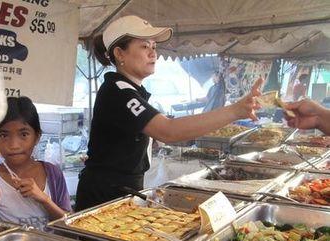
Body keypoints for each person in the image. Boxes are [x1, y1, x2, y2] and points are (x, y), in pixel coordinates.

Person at [75, 15, 262, 211]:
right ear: (120, 54)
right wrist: (235, 110)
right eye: (144, 46)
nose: (153, 53)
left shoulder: (129, 90)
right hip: (104, 197)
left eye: (154, 47)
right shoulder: (118, 91)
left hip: (122, 191)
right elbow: (168, 131)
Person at [0, 96, 71, 229]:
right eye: (4, 135)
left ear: (37, 137)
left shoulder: (53, 174)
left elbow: (69, 223)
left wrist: (44, 199)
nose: (14, 145)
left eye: (24, 134)